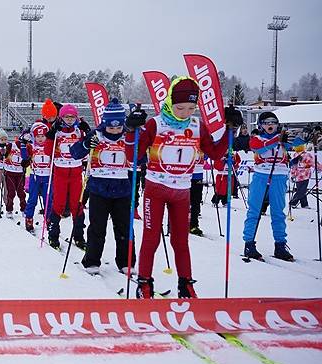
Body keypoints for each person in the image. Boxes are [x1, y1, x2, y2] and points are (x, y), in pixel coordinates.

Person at [125, 77, 239, 298]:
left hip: (182, 192)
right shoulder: (155, 124)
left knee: (181, 240)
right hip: (155, 189)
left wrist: (230, 129)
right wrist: (131, 130)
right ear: (170, 102)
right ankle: (144, 282)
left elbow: (215, 153)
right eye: (180, 107)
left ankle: (186, 284)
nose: (185, 112)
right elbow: (133, 156)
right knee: (151, 238)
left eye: (190, 108)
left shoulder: (197, 126)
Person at [71, 99, 135, 274]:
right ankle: (92, 260)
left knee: (124, 227)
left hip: (122, 188)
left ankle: (126, 261)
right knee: (97, 227)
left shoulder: (128, 136)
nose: (115, 130)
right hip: (99, 188)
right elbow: (75, 153)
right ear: (104, 123)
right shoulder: (96, 135)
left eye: (118, 127)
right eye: (111, 127)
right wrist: (85, 144)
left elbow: (141, 155)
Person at [242, 112, 304, 262]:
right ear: (261, 125)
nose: (270, 125)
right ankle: (249, 243)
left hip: (279, 177)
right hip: (261, 176)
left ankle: (280, 245)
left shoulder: (282, 139)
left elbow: (300, 148)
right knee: (254, 211)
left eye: (273, 122)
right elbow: (259, 148)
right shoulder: (257, 139)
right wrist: (277, 139)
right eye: (266, 122)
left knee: (278, 212)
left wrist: (298, 138)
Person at [48, 104, 88, 250]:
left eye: (72, 117)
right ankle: (53, 234)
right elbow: (47, 151)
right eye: (67, 117)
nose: (70, 120)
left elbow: (86, 148)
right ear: (62, 117)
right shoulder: (58, 132)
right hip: (61, 172)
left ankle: (78, 236)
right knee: (58, 204)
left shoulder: (78, 132)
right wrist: (51, 135)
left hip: (76, 172)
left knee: (77, 205)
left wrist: (87, 132)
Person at [23, 122, 53, 233]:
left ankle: (49, 219)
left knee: (48, 199)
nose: (40, 139)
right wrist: (23, 142)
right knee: (32, 199)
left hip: (47, 176)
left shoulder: (50, 147)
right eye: (38, 136)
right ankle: (29, 218)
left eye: (42, 136)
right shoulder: (32, 146)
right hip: (35, 176)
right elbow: (24, 156)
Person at [289, 144, 321, 209]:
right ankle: (293, 202)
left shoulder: (295, 155)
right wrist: (320, 168)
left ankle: (304, 204)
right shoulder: (307, 155)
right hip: (305, 175)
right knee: (301, 191)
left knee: (301, 189)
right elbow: (313, 163)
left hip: (298, 176)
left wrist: (293, 175)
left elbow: (293, 166)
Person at [3, 133, 28, 217]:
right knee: (11, 192)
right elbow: (5, 154)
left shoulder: (27, 147)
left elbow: (27, 160)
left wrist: (26, 162)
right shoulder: (11, 145)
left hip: (20, 173)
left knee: (21, 192)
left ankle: (24, 209)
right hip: (10, 172)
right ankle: (9, 210)